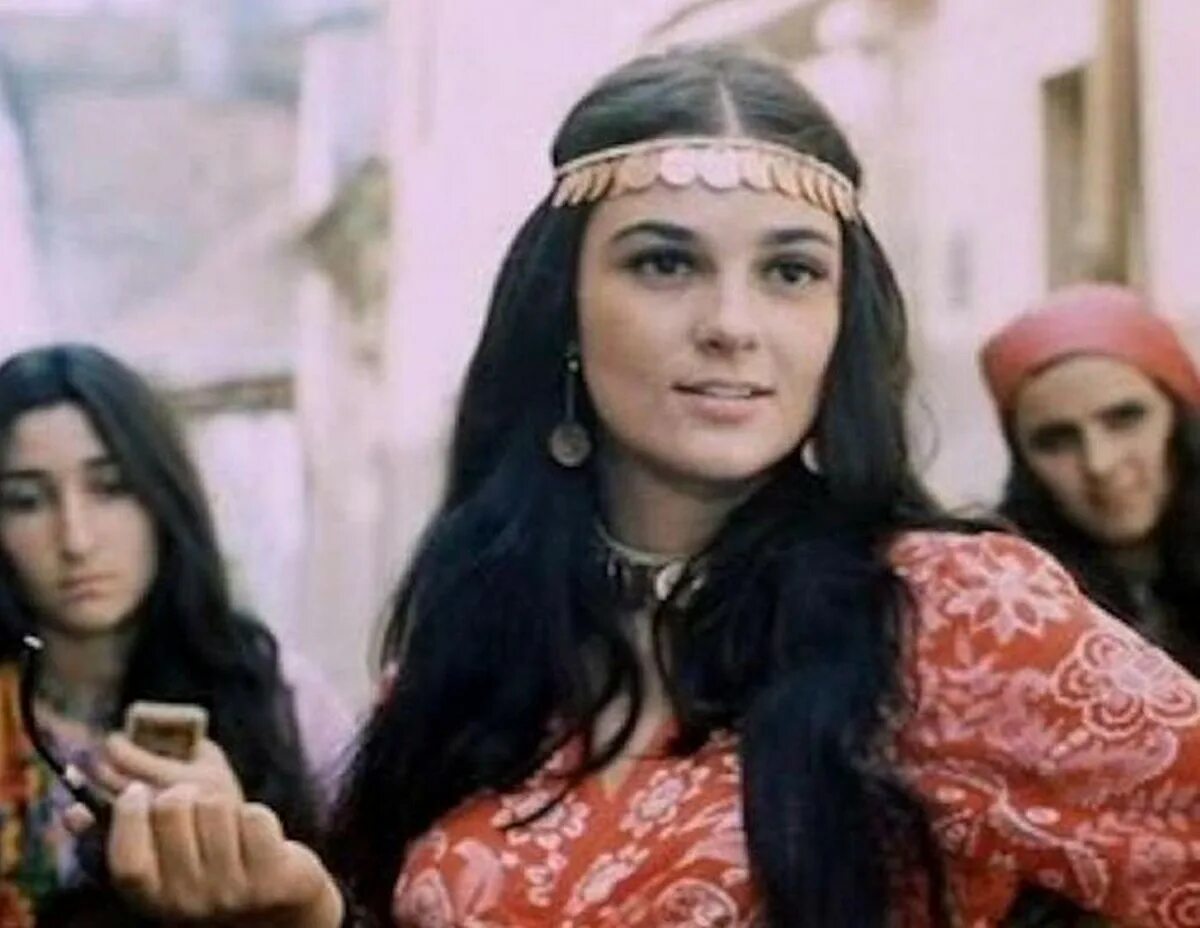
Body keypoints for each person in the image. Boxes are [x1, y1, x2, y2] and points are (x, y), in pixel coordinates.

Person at [80, 46, 1200, 928]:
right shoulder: (479, 636)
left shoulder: (952, 612)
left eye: (790, 270)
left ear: (839, 325)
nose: (731, 323)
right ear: (564, 310)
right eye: (666, 262)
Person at [0, 344, 348, 924]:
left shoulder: (280, 694)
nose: (76, 539)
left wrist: (241, 854)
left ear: (163, 496)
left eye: (110, 487)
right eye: (27, 500)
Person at [980, 284, 1200, 674]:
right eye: (1056, 441)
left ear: (1179, 418)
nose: (1099, 462)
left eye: (1125, 419)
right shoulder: (1001, 604)